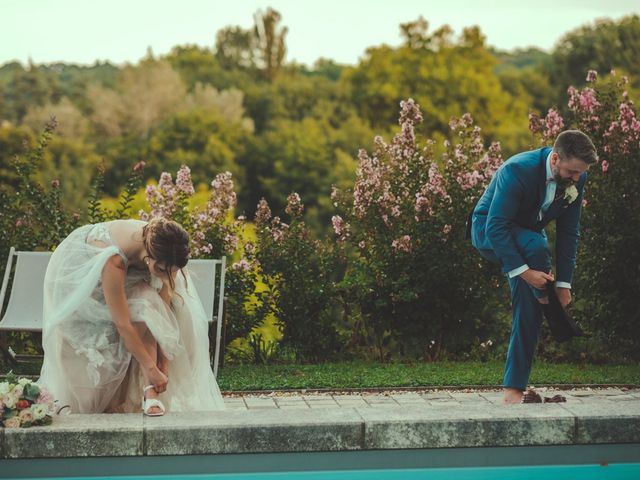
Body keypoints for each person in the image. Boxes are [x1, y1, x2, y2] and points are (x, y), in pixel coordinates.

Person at [38, 218, 225, 415]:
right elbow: (123, 324)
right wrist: (151, 369)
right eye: (161, 270)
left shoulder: (169, 253)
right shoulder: (114, 260)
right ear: (149, 257)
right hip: (81, 277)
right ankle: (110, 401)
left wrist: (164, 363)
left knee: (148, 303)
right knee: (92, 387)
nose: (166, 275)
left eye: (172, 271)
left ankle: (150, 394)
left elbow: (164, 313)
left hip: (132, 266)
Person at [470, 130, 597, 404]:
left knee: (528, 308)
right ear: (554, 159)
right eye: (572, 171)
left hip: (528, 237)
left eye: (580, 173)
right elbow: (495, 226)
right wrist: (526, 273)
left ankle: (513, 390)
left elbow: (568, 232)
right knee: (537, 249)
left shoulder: (577, 177)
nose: (577, 178)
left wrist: (564, 284)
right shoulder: (518, 170)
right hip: (490, 231)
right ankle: (550, 306)